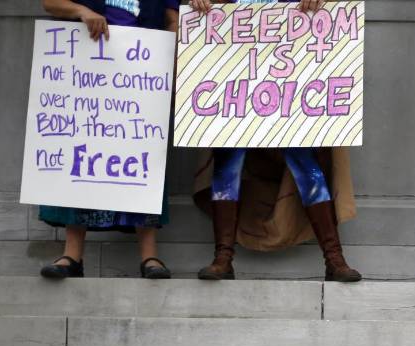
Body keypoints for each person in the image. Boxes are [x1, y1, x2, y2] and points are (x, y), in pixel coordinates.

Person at [188, 0, 361, 282]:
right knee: (228, 159)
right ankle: (223, 256)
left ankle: (334, 258)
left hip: (291, 73)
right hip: (236, 69)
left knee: (305, 160)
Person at [38, 0, 179, 280]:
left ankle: (149, 255)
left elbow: (172, 18)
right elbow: (50, 3)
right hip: (88, 72)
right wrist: (83, 12)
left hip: (141, 74)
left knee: (143, 161)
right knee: (81, 158)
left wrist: (168, 59)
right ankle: (72, 255)